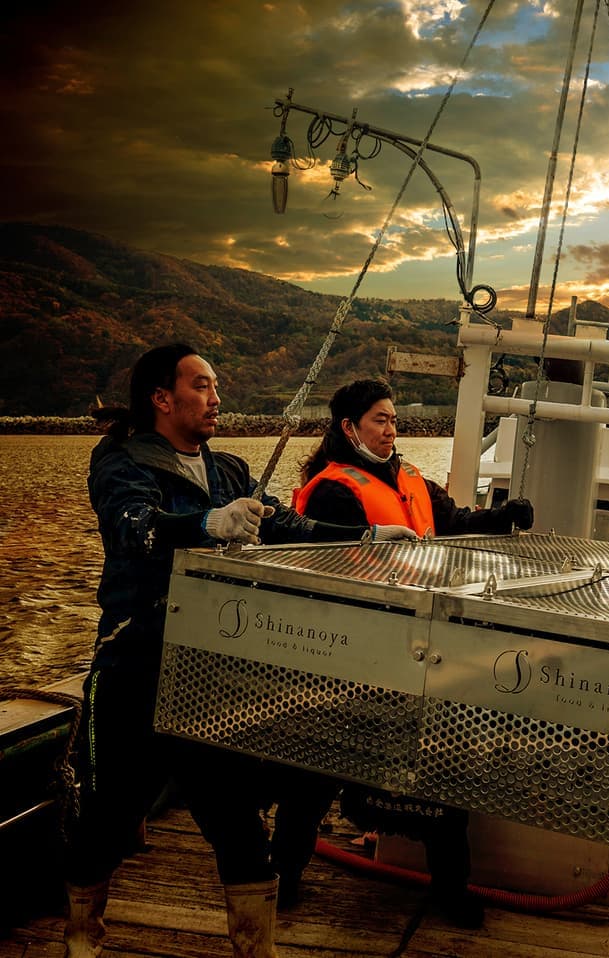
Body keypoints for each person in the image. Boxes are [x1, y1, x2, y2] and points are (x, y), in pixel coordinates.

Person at [73, 344, 416, 958]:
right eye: (202, 386)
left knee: (239, 826)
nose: (216, 398)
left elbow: (286, 526)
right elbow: (134, 529)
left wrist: (367, 535)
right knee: (105, 818)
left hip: (210, 675)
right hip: (134, 667)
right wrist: (206, 525)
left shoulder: (228, 469)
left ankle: (256, 949)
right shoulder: (121, 464)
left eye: (216, 386)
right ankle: (82, 937)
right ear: (161, 398)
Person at [270, 378, 533, 924]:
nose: (391, 429)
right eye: (379, 420)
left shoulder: (410, 477)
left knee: (441, 770)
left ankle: (450, 891)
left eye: (393, 419)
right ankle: (284, 878)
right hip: (348, 652)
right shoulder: (332, 489)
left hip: (420, 648)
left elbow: (451, 522)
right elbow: (329, 564)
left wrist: (499, 518)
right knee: (313, 773)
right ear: (349, 428)